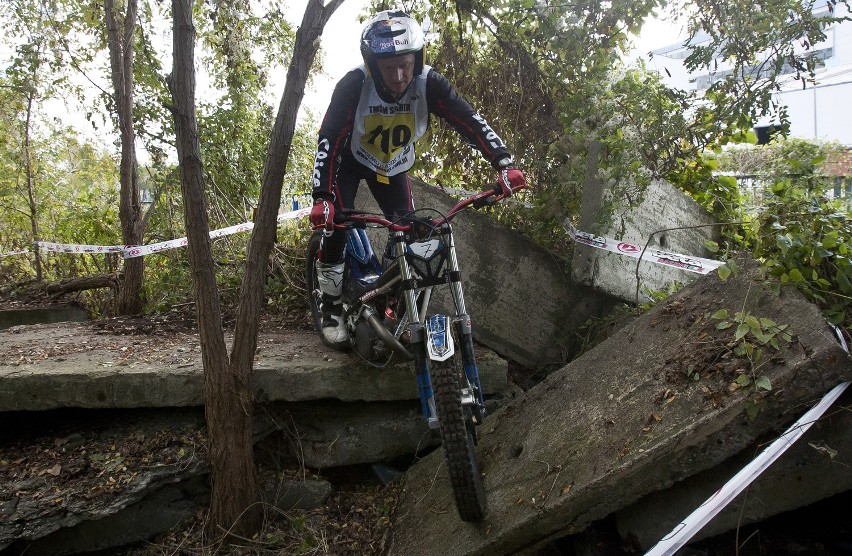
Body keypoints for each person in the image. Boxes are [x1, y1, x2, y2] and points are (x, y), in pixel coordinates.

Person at [309, 9, 527, 346]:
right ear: (371, 64)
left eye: (405, 65)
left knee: (411, 236)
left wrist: (503, 163)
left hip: (393, 166)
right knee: (336, 226)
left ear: (418, 57)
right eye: (388, 67)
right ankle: (331, 306)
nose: (398, 76)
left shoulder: (430, 83)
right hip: (349, 164)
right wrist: (322, 197)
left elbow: (469, 120)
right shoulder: (354, 84)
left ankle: (390, 302)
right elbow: (329, 138)